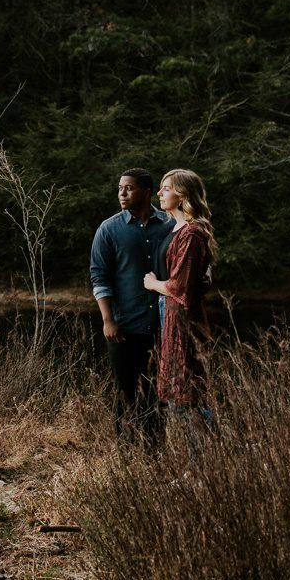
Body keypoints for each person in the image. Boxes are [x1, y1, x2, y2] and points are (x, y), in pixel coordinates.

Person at [89, 167, 174, 440]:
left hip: (163, 326)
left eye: (129, 188)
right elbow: (99, 275)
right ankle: (126, 455)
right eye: (120, 188)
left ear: (147, 192)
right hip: (124, 326)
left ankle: (154, 452)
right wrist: (108, 320)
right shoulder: (109, 229)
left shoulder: (170, 225)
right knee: (125, 392)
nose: (122, 193)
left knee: (157, 393)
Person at [143, 168, 216, 438]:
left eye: (166, 188)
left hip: (182, 315)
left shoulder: (192, 234)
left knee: (187, 393)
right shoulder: (175, 228)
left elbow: (180, 286)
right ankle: (200, 462)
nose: (159, 193)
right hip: (169, 312)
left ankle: (209, 460)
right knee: (177, 391)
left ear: (182, 195)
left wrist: (154, 285)